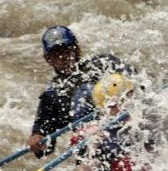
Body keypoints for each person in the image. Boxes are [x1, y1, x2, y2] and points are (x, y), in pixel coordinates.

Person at [26, 25, 135, 158]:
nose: (62, 56)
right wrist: (36, 140)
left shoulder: (104, 64)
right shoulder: (53, 94)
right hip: (96, 151)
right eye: (56, 53)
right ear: (48, 59)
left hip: (129, 129)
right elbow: (44, 148)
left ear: (77, 50)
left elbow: (137, 84)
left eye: (66, 50)